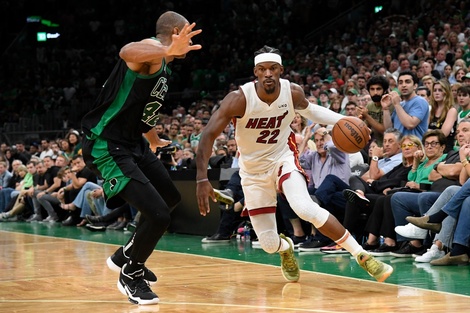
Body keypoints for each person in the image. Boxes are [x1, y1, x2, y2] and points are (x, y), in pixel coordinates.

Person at [196, 45, 393, 283]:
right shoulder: (239, 99)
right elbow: (207, 135)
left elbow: (313, 112)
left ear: (280, 70)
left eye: (273, 68)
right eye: (262, 69)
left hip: (283, 158)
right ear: (255, 72)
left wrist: (344, 120)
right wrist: (201, 178)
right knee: (268, 244)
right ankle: (284, 248)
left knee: (304, 207)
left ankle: (362, 255)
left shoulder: (292, 92)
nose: (268, 73)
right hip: (252, 171)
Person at [81, 11, 201, 305]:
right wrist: (165, 49)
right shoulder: (149, 51)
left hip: (134, 142)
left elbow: (140, 106)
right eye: (186, 32)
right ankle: (130, 273)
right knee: (159, 215)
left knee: (170, 198)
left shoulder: (165, 65)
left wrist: (153, 137)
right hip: (107, 144)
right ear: (174, 32)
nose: (190, 38)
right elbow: (126, 51)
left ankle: (125, 254)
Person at [382, 70, 429, 139]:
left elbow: (410, 124)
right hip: (399, 147)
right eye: (400, 83)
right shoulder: (400, 104)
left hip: (414, 147)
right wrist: (385, 108)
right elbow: (389, 129)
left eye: (407, 82)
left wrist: (397, 104)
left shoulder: (420, 101)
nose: (403, 85)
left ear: (415, 86)